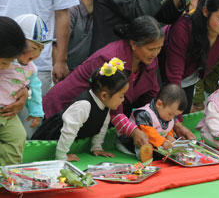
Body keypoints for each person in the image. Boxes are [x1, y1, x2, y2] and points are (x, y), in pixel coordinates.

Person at [44, 16, 195, 148]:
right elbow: (116, 111)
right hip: (59, 113)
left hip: (88, 120)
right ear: (134, 44)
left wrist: (175, 125)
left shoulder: (149, 61)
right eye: (151, 49)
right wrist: (134, 131)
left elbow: (152, 101)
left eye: (159, 48)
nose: (155, 54)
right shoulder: (112, 60)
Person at [161, 0, 219, 112]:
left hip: (189, 79)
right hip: (162, 76)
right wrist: (175, 118)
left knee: (183, 113)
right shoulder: (184, 29)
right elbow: (174, 74)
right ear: (205, 11)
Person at [32, 58, 127, 161]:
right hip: (50, 141)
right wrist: (61, 156)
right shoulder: (83, 106)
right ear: (104, 95)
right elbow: (68, 132)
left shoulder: (105, 106)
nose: (123, 100)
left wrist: (96, 147)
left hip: (68, 144)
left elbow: (101, 128)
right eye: (121, 96)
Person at [12, 14, 51, 138]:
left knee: (18, 136)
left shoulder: (31, 68)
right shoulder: (5, 60)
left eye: (41, 49)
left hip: (11, 112)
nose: (37, 53)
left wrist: (36, 112)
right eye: (34, 47)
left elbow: (35, 89)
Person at [127, 84, 186, 158]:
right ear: (159, 104)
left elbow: (167, 128)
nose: (172, 118)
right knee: (149, 149)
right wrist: (163, 142)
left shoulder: (167, 115)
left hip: (157, 141)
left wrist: (169, 136)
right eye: (170, 114)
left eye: (175, 115)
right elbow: (149, 133)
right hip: (132, 142)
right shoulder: (145, 114)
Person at [0, 17, 28, 165]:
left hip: (5, 111)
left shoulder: (8, 65)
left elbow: (20, 77)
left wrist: (24, 91)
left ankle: (7, 178)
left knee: (18, 136)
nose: (6, 67)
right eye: (5, 62)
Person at [67, 0, 97, 71]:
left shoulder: (98, 12)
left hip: (81, 71)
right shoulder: (71, 11)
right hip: (63, 71)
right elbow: (56, 46)